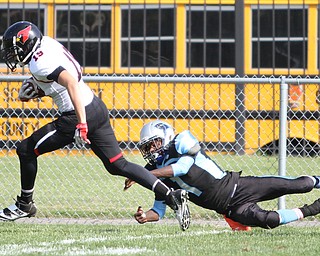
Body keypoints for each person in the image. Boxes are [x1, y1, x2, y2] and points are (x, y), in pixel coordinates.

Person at [0, 21, 190, 231]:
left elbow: (70, 82)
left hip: (75, 116)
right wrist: (40, 88)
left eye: (14, 49)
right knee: (118, 165)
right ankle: (171, 196)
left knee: (25, 150)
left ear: (26, 43)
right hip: (95, 105)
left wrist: (81, 122)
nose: (12, 55)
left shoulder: (38, 64)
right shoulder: (47, 44)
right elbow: (70, 73)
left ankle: (25, 204)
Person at [124, 120, 320, 230]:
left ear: (165, 135)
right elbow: (159, 211)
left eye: (153, 144)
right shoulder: (158, 173)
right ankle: (313, 209)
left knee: (299, 185)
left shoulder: (180, 142)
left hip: (237, 186)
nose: (150, 150)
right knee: (268, 220)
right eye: (146, 147)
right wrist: (144, 216)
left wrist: (143, 174)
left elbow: (183, 167)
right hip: (230, 208)